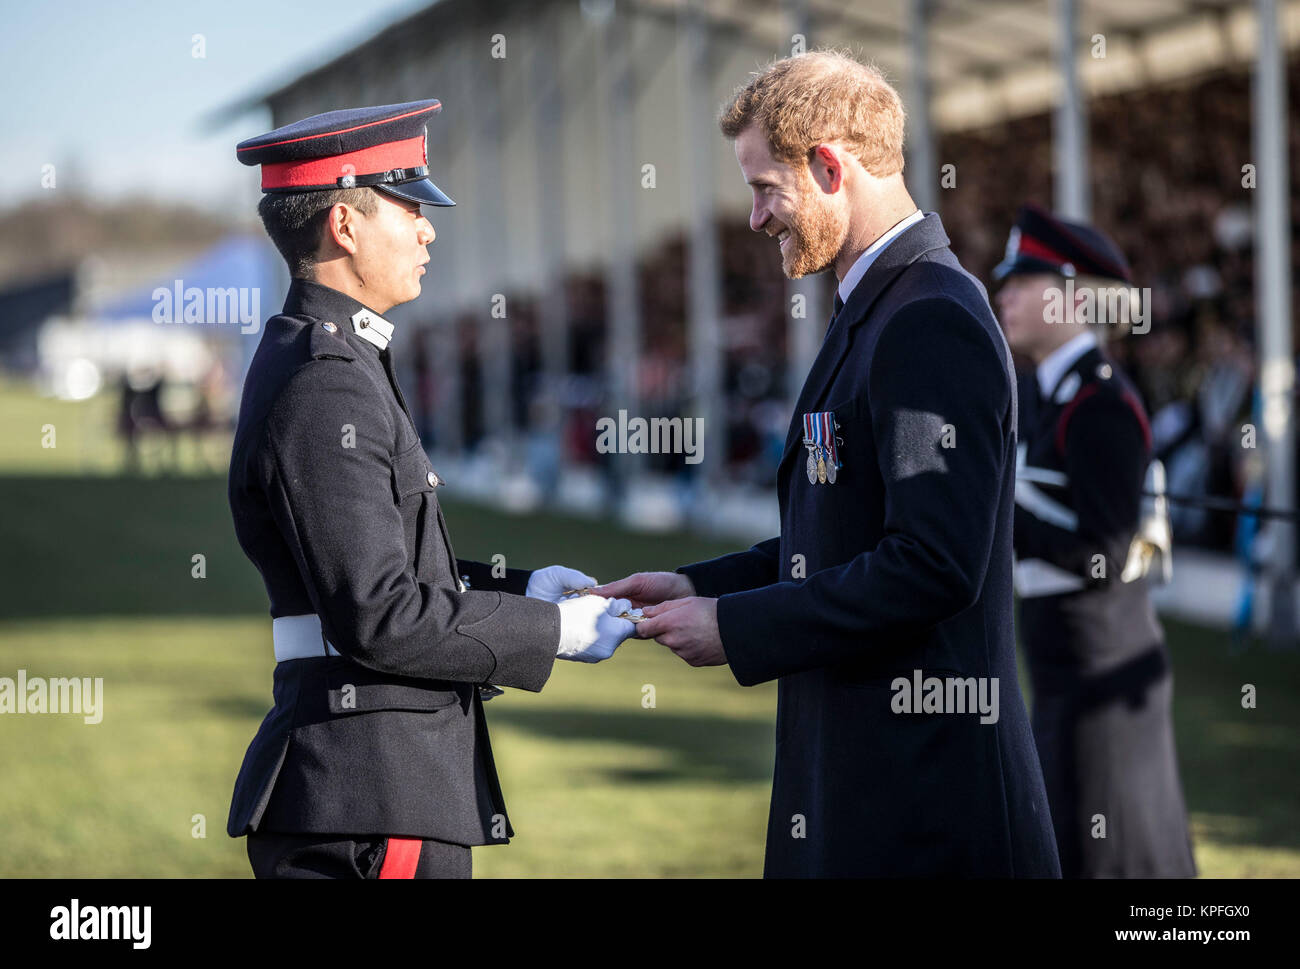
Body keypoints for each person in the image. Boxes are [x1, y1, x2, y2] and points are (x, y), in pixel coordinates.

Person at [597, 51, 1060, 877]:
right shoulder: (877, 310)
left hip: (926, 814)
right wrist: (705, 588)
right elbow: (843, 535)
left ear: (829, 165)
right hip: (863, 793)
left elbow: (932, 563)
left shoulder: (928, 321)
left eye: (763, 187)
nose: (755, 217)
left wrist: (738, 631)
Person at [227, 99, 633, 878]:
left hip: (374, 788)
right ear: (344, 224)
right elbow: (379, 614)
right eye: (409, 205)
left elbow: (386, 569)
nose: (428, 228)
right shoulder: (326, 382)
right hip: (371, 795)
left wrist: (526, 596)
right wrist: (554, 634)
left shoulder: (337, 360)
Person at [992, 203, 1196, 877]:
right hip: (1061, 668)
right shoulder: (1043, 393)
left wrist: (1000, 512)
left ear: (1075, 297)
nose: (1005, 295)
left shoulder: (1100, 402)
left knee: (1113, 863)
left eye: (1026, 281)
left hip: (1102, 672)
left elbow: (1107, 555)